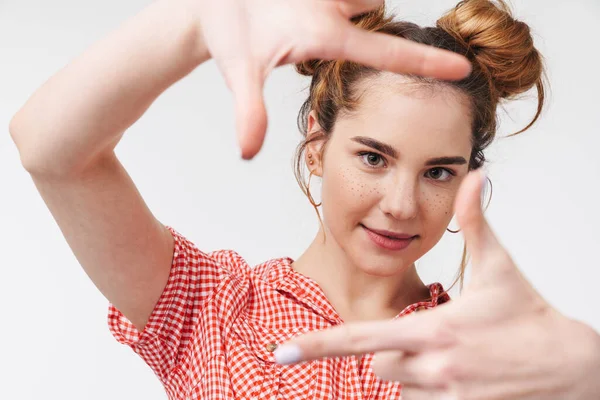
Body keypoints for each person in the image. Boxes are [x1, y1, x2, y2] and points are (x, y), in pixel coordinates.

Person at [8, 0, 598, 399]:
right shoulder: (209, 307)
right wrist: (198, 21)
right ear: (317, 144)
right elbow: (51, 149)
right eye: (374, 157)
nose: (400, 204)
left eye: (438, 172)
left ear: (469, 178)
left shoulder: (481, 355)